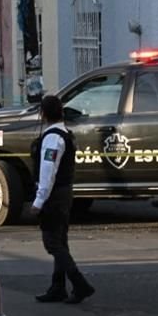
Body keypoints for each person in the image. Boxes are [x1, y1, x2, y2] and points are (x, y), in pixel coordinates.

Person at [29, 95, 95, 304]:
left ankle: (80, 284)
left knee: (52, 243)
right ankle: (58, 287)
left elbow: (48, 172)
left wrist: (39, 202)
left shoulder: (52, 139)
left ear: (43, 114)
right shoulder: (65, 134)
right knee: (61, 242)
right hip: (64, 194)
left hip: (54, 196)